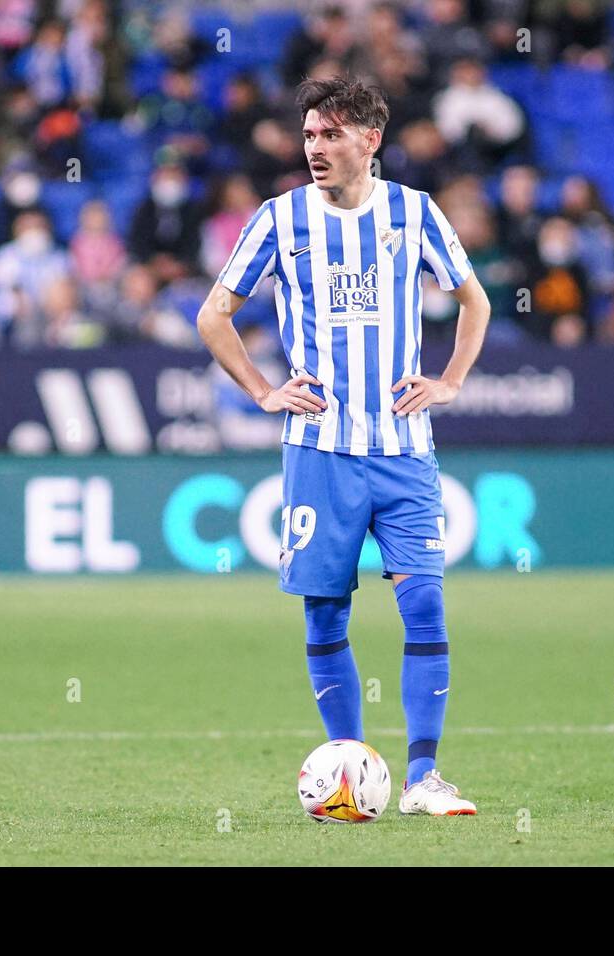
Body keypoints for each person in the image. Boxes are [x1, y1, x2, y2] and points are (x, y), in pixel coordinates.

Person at [196, 75, 490, 816]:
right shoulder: (279, 218)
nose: (315, 148)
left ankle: (424, 779)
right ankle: (351, 771)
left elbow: (474, 299)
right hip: (320, 451)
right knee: (326, 614)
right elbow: (214, 316)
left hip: (403, 449)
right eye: (308, 136)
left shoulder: (414, 213)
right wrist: (264, 392)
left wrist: (449, 380)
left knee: (424, 605)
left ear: (371, 139)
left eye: (330, 135)